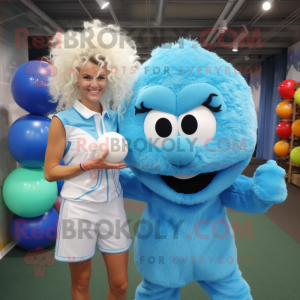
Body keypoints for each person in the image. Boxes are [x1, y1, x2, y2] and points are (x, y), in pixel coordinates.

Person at [44, 19, 140, 300]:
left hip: (113, 207)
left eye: (100, 77)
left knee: (121, 285)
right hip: (79, 210)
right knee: (82, 284)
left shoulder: (115, 118)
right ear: (75, 78)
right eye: (87, 77)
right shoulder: (62, 121)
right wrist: (87, 165)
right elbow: (50, 172)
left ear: (110, 79)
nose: (94, 84)